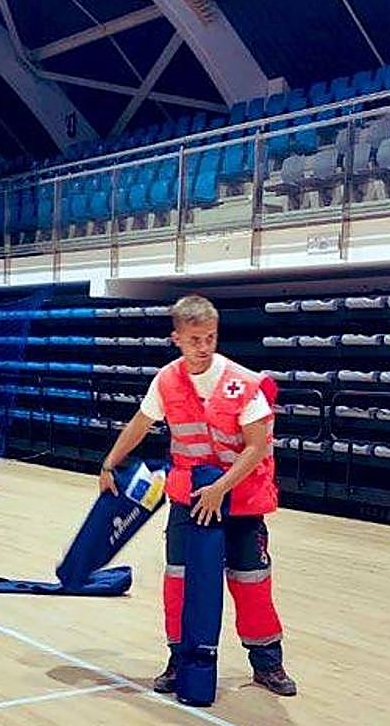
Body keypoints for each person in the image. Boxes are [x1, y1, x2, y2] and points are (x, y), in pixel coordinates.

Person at [98, 294, 297, 696]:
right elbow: (141, 422)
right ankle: (181, 660)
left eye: (210, 338)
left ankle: (268, 664)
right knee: (180, 583)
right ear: (177, 338)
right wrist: (109, 463)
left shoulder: (244, 383)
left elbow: (257, 446)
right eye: (195, 340)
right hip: (189, 499)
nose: (204, 347)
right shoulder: (166, 380)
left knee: (251, 582)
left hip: (238, 500)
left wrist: (220, 488)